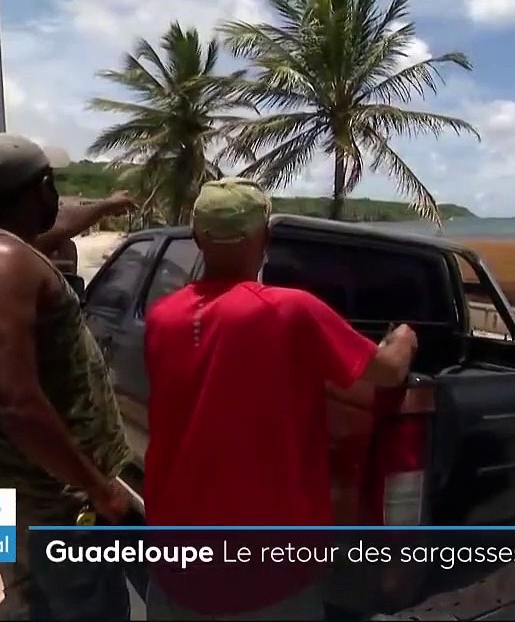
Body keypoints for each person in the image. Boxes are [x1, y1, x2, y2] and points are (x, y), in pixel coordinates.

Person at [142, 178, 418, 620]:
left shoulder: (162, 316)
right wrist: (403, 338)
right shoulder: (290, 311)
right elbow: (385, 372)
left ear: (197, 237)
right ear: (265, 238)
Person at [0, 133, 137, 621]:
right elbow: (17, 403)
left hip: (14, 479)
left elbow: (59, 225)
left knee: (33, 603)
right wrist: (99, 487)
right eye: (54, 188)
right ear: (40, 188)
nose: (59, 201)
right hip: (47, 497)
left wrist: (106, 206)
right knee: (86, 608)